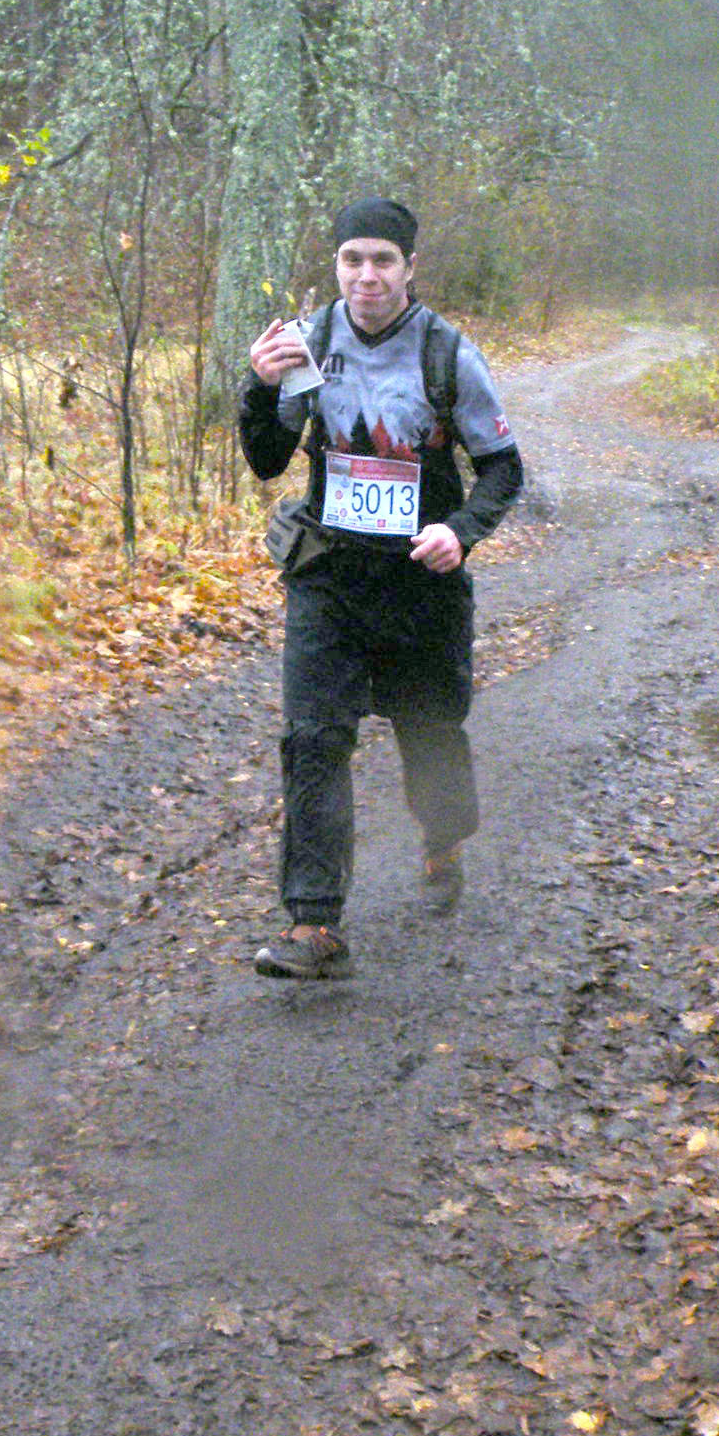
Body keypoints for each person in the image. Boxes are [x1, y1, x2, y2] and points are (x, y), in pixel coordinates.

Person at [237, 198, 525, 980]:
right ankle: (313, 924)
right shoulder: (308, 343)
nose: (367, 275)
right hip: (328, 576)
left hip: (420, 582)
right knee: (314, 737)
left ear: (409, 267)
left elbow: (503, 469)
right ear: (336, 265)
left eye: (383, 260)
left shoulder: (446, 353)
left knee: (429, 729)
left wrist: (459, 532)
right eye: (352, 259)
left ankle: (443, 838)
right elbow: (267, 460)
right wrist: (259, 387)